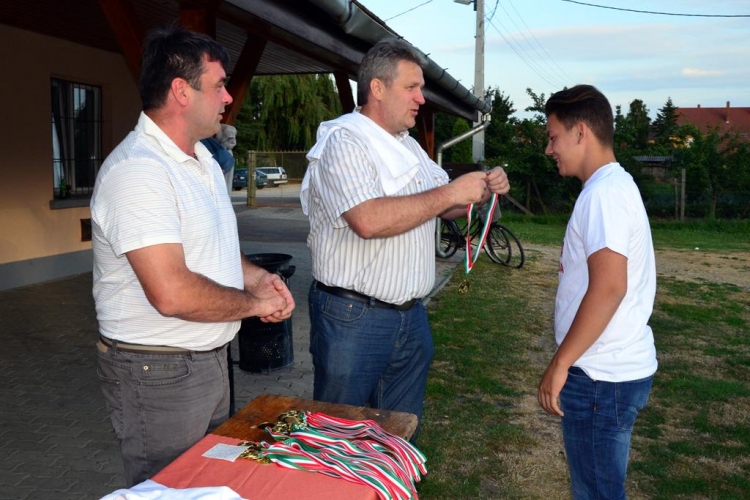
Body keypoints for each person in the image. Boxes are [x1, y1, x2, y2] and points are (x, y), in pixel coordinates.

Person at [90, 26, 294, 487]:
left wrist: (256, 279)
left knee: (205, 486)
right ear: (181, 91)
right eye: (218, 85)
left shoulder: (201, 159)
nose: (227, 98)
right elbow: (172, 293)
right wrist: (256, 306)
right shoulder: (139, 171)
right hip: (158, 373)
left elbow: (214, 248)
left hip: (204, 360)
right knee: (167, 491)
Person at [301, 39, 510, 426]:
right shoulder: (344, 142)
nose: (421, 98)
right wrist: (452, 190)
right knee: (338, 438)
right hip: (353, 319)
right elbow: (368, 220)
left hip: (409, 318)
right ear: (377, 89)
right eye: (411, 87)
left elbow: (442, 205)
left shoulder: (407, 146)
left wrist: (481, 191)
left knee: (397, 436)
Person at [537, 84, 657, 499]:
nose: (549, 148)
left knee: (597, 493)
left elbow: (609, 288)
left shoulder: (604, 195)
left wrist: (561, 364)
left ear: (581, 131)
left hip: (600, 377)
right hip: (609, 373)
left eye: (553, 137)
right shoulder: (611, 188)